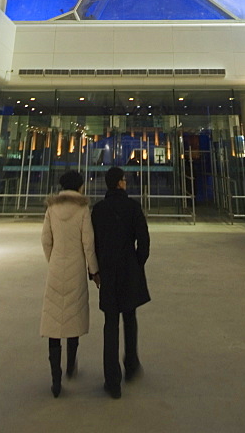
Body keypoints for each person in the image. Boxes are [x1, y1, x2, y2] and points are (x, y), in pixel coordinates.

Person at [91, 165, 150, 399]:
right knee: (130, 317)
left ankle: (112, 380)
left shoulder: (98, 210)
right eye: (124, 180)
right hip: (128, 271)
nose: (126, 183)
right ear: (119, 183)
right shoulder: (133, 207)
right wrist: (137, 263)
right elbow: (144, 242)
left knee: (110, 324)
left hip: (107, 272)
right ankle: (132, 364)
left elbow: (92, 244)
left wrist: (95, 271)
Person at [40, 169, 99, 398]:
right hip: (76, 267)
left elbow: (46, 239)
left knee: (54, 322)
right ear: (79, 186)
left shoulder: (52, 208)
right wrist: (93, 270)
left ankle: (56, 379)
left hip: (56, 267)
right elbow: (88, 243)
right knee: (73, 315)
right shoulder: (83, 209)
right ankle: (71, 366)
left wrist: (53, 259)